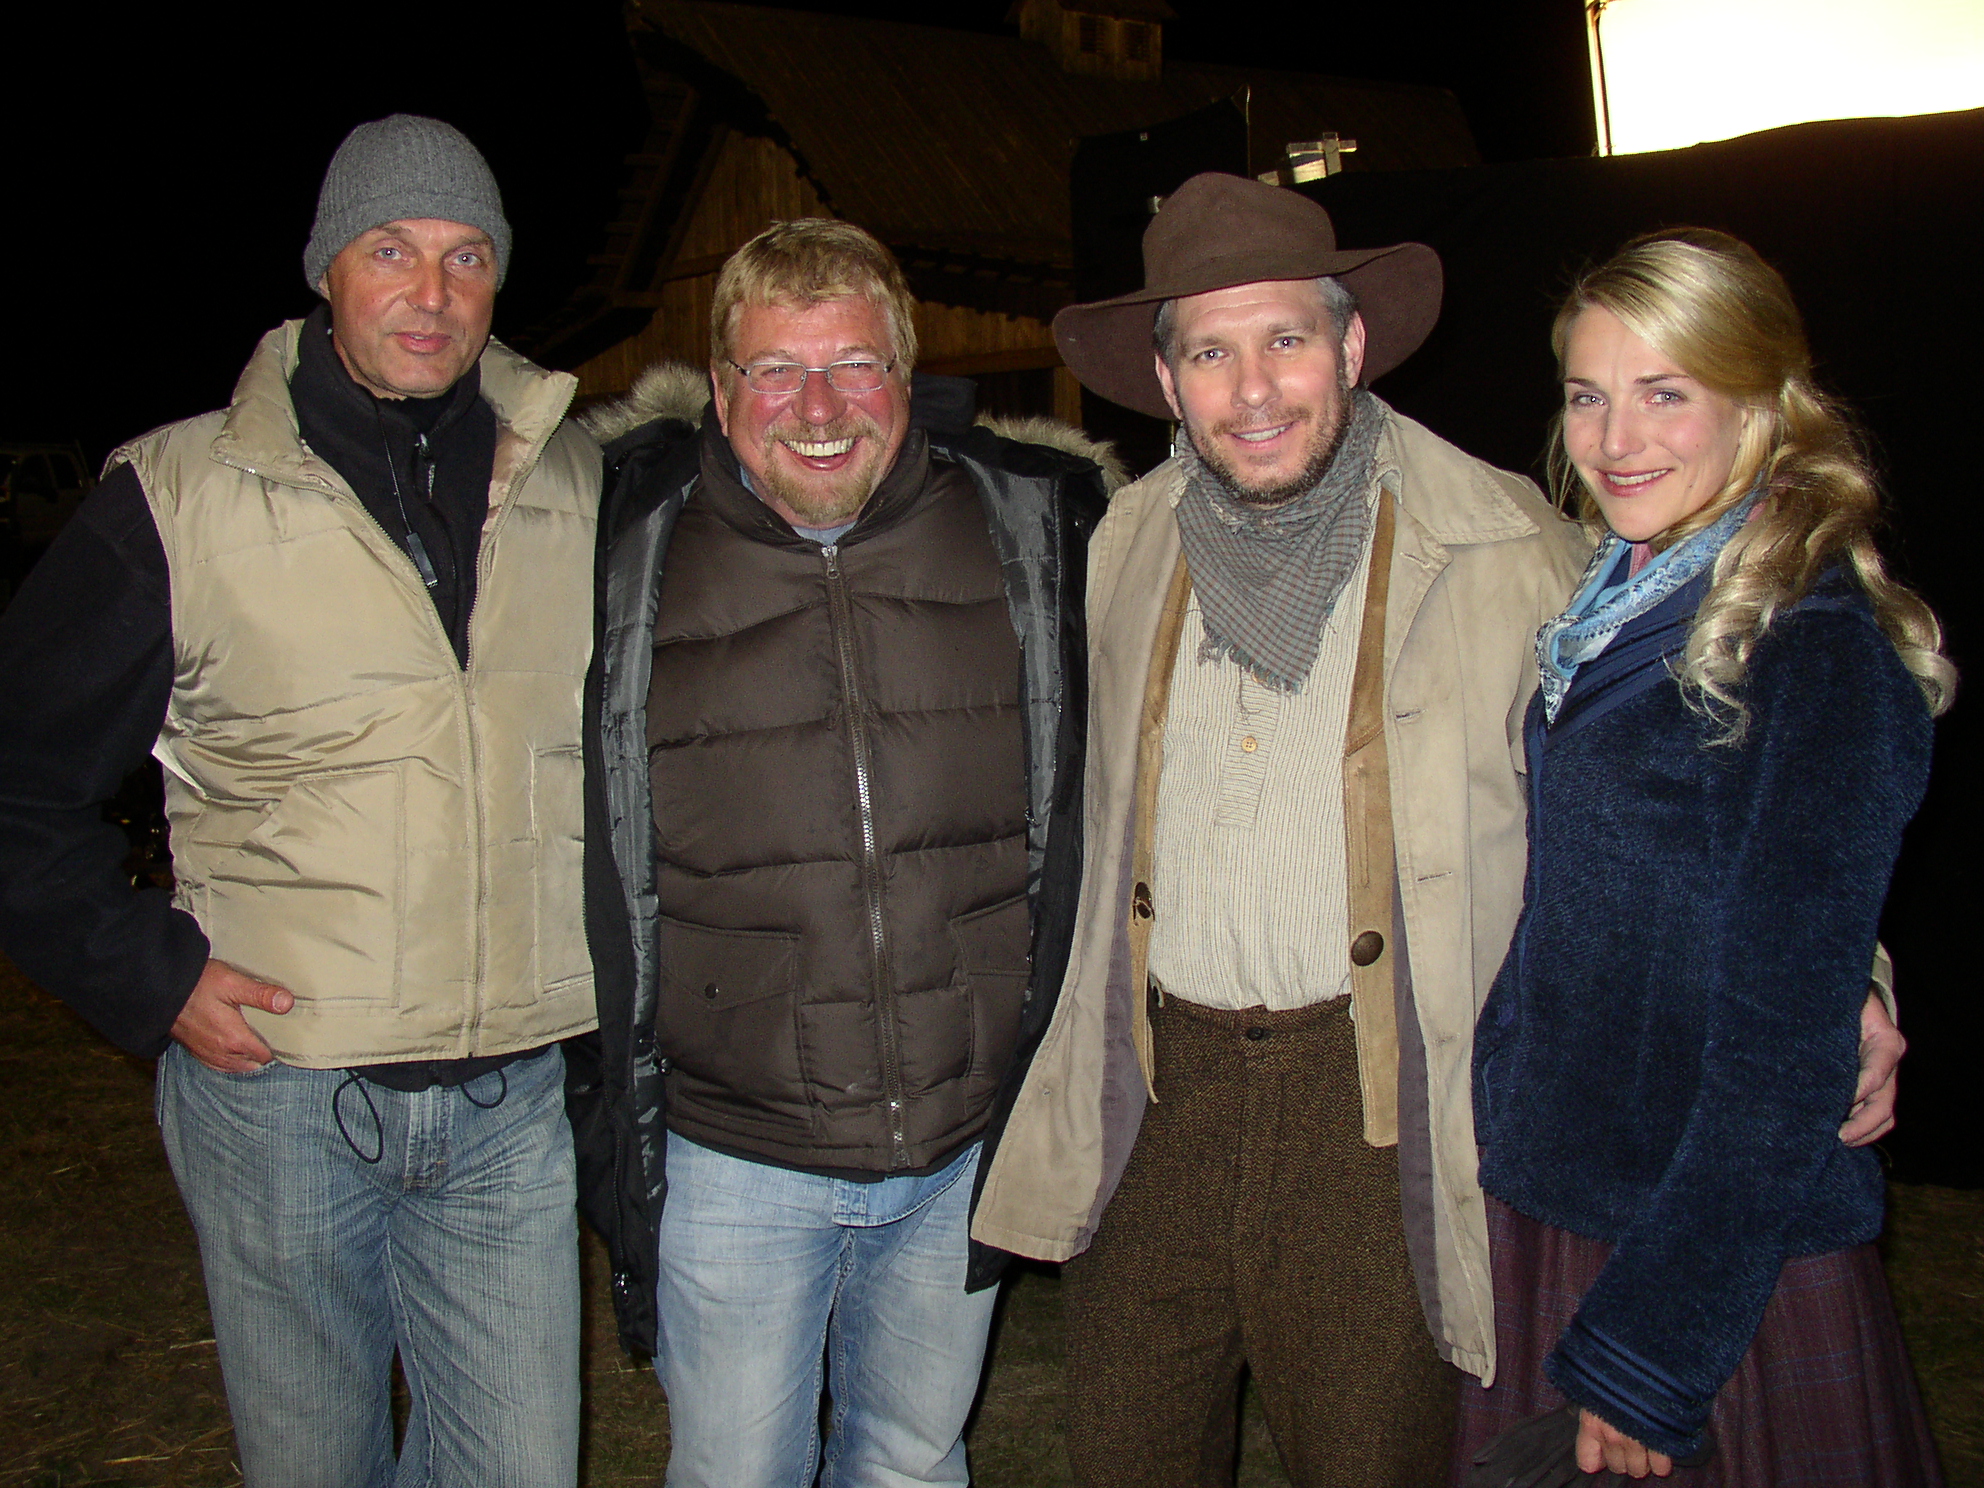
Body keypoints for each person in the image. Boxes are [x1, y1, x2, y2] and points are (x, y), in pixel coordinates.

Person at [965, 175, 1906, 1487]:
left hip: (1382, 1120)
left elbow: (1693, 785)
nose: (1254, 389)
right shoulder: (1124, 538)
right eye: (1211, 352)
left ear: (1353, 346)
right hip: (1152, 1102)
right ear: (1165, 382)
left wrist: (1849, 980)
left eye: (1288, 338)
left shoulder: (1510, 547)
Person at [0, 115, 599, 1485]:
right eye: (392, 251)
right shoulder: (180, 496)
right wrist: (145, 975)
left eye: (466, 257)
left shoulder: (577, 484)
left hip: (511, 1102)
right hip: (281, 1095)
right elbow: (18, 782)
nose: (432, 293)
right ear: (328, 268)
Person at [568, 217, 1111, 1487]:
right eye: (775, 371)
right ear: (720, 389)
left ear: (905, 379)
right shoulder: (618, 548)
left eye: (855, 366)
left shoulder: (1034, 532)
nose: (817, 408)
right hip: (732, 1154)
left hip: (959, 1142)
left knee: (915, 1464)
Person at [1458, 229, 1949, 1485]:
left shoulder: (1812, 643)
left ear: (1760, 407)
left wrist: (1652, 1353)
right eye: (1588, 395)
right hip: (1573, 1185)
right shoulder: (1618, 597)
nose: (1616, 439)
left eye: (1664, 393)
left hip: (1706, 1241)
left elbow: (1785, 1055)